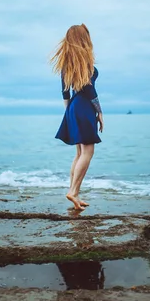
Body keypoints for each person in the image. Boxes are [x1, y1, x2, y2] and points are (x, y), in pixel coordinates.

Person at [50, 24, 104, 211]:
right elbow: (90, 90)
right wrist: (100, 112)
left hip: (73, 107)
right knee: (88, 152)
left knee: (79, 153)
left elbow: (65, 93)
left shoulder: (67, 65)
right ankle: (73, 191)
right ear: (84, 39)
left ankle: (75, 192)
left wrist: (68, 113)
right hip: (84, 107)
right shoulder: (86, 64)